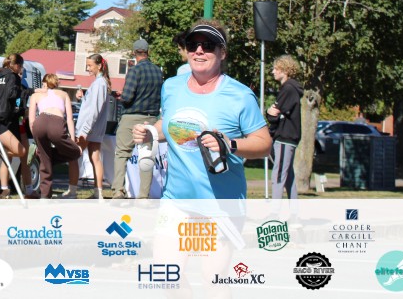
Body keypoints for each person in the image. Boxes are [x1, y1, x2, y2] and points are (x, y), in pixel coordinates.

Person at [132, 21, 272, 200]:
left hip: (222, 204)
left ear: (222, 53)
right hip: (174, 200)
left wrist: (230, 144)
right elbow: (169, 124)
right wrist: (150, 133)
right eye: (192, 45)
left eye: (208, 45)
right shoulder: (171, 87)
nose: (199, 50)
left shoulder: (240, 95)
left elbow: (264, 145)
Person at [112, 37, 163, 198]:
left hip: (131, 117)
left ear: (134, 53)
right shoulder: (158, 72)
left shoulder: (134, 70)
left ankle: (118, 191)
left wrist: (120, 96)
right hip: (151, 120)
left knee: (122, 154)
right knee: (146, 156)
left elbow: (127, 97)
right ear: (148, 52)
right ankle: (143, 196)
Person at [0, 53, 32, 198]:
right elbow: (13, 97)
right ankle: (0, 187)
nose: (21, 71)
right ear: (16, 66)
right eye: (21, 67)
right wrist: (22, 101)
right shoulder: (12, 78)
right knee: (22, 152)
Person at [27, 73, 82, 198]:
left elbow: (31, 120)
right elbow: (69, 119)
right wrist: (73, 141)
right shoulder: (64, 94)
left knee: (45, 159)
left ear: (44, 83)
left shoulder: (35, 95)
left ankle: (45, 196)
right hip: (57, 123)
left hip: (40, 122)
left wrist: (36, 138)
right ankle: (49, 158)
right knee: (76, 152)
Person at [267, 54, 303, 200]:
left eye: (276, 69)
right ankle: (294, 211)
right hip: (289, 137)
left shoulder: (288, 89)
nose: (273, 72)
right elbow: (275, 112)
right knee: (288, 176)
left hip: (284, 136)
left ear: (285, 70)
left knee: (279, 174)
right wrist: (272, 113)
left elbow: (273, 114)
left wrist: (270, 113)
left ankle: (275, 210)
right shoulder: (291, 89)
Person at [76, 53, 111, 199]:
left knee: (74, 154)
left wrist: (85, 130)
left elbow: (95, 109)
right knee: (95, 158)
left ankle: (72, 189)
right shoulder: (100, 83)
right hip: (93, 128)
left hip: (90, 128)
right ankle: (98, 193)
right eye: (87, 66)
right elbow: (93, 106)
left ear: (99, 65)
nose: (88, 69)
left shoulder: (99, 83)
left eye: (90, 65)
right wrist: (83, 97)